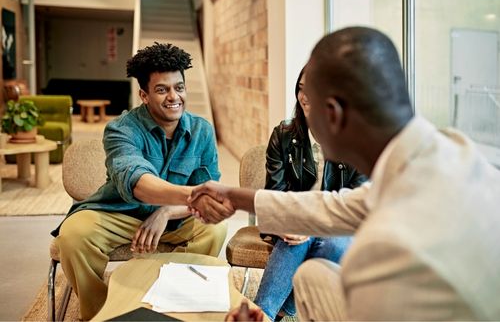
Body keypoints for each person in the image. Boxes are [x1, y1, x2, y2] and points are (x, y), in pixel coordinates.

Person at [189, 27, 500, 320]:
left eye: (310, 100)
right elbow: (337, 206)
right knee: (311, 275)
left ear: (333, 115)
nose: (303, 106)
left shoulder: (381, 255)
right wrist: (233, 196)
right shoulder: (449, 150)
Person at [51, 43, 228, 320]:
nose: (174, 97)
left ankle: (178, 301)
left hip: (176, 219)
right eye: (162, 90)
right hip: (119, 213)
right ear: (144, 95)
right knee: (73, 235)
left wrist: (167, 211)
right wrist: (198, 196)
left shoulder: (202, 130)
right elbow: (139, 183)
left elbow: (206, 202)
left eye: (179, 87)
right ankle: (100, 311)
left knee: (214, 229)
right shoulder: (121, 129)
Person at [253, 66, 366, 321]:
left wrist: (312, 224)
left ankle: (275, 311)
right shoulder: (284, 135)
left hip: (340, 227)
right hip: (294, 222)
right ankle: (265, 313)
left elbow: (358, 205)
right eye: (301, 89)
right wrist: (285, 225)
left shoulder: (356, 141)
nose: (305, 96)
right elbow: (275, 195)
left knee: (332, 242)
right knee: (294, 238)